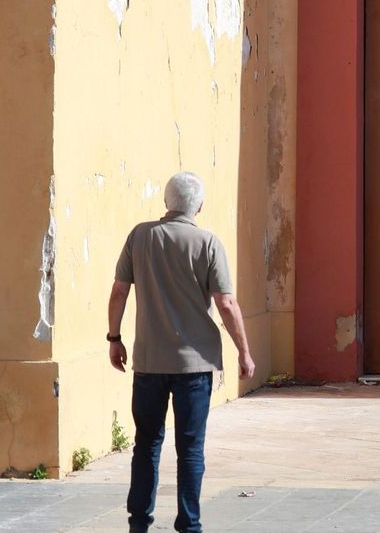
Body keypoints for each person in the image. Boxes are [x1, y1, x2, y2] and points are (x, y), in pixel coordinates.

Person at [107, 172, 255, 533]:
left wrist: (114, 337)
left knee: (146, 443)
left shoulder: (140, 236)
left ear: (166, 202)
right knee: (190, 448)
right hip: (195, 364)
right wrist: (243, 352)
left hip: (149, 361)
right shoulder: (207, 243)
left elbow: (119, 292)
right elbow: (226, 302)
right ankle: (189, 524)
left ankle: (139, 522)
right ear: (199, 206)